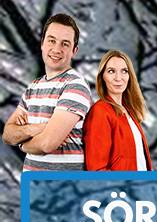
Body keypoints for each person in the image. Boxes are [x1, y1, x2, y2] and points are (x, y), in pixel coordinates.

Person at [3, 13, 92, 171]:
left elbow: (46, 144)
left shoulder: (75, 86)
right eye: (52, 40)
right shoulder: (34, 87)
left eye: (65, 44)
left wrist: (22, 143)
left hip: (63, 188)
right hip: (33, 187)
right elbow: (8, 135)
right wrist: (35, 129)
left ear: (74, 51)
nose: (56, 49)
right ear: (42, 43)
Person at [82, 49, 147, 170]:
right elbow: (97, 169)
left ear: (130, 76)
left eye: (124, 71)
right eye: (111, 71)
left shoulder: (129, 112)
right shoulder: (100, 112)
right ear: (103, 77)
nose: (119, 78)